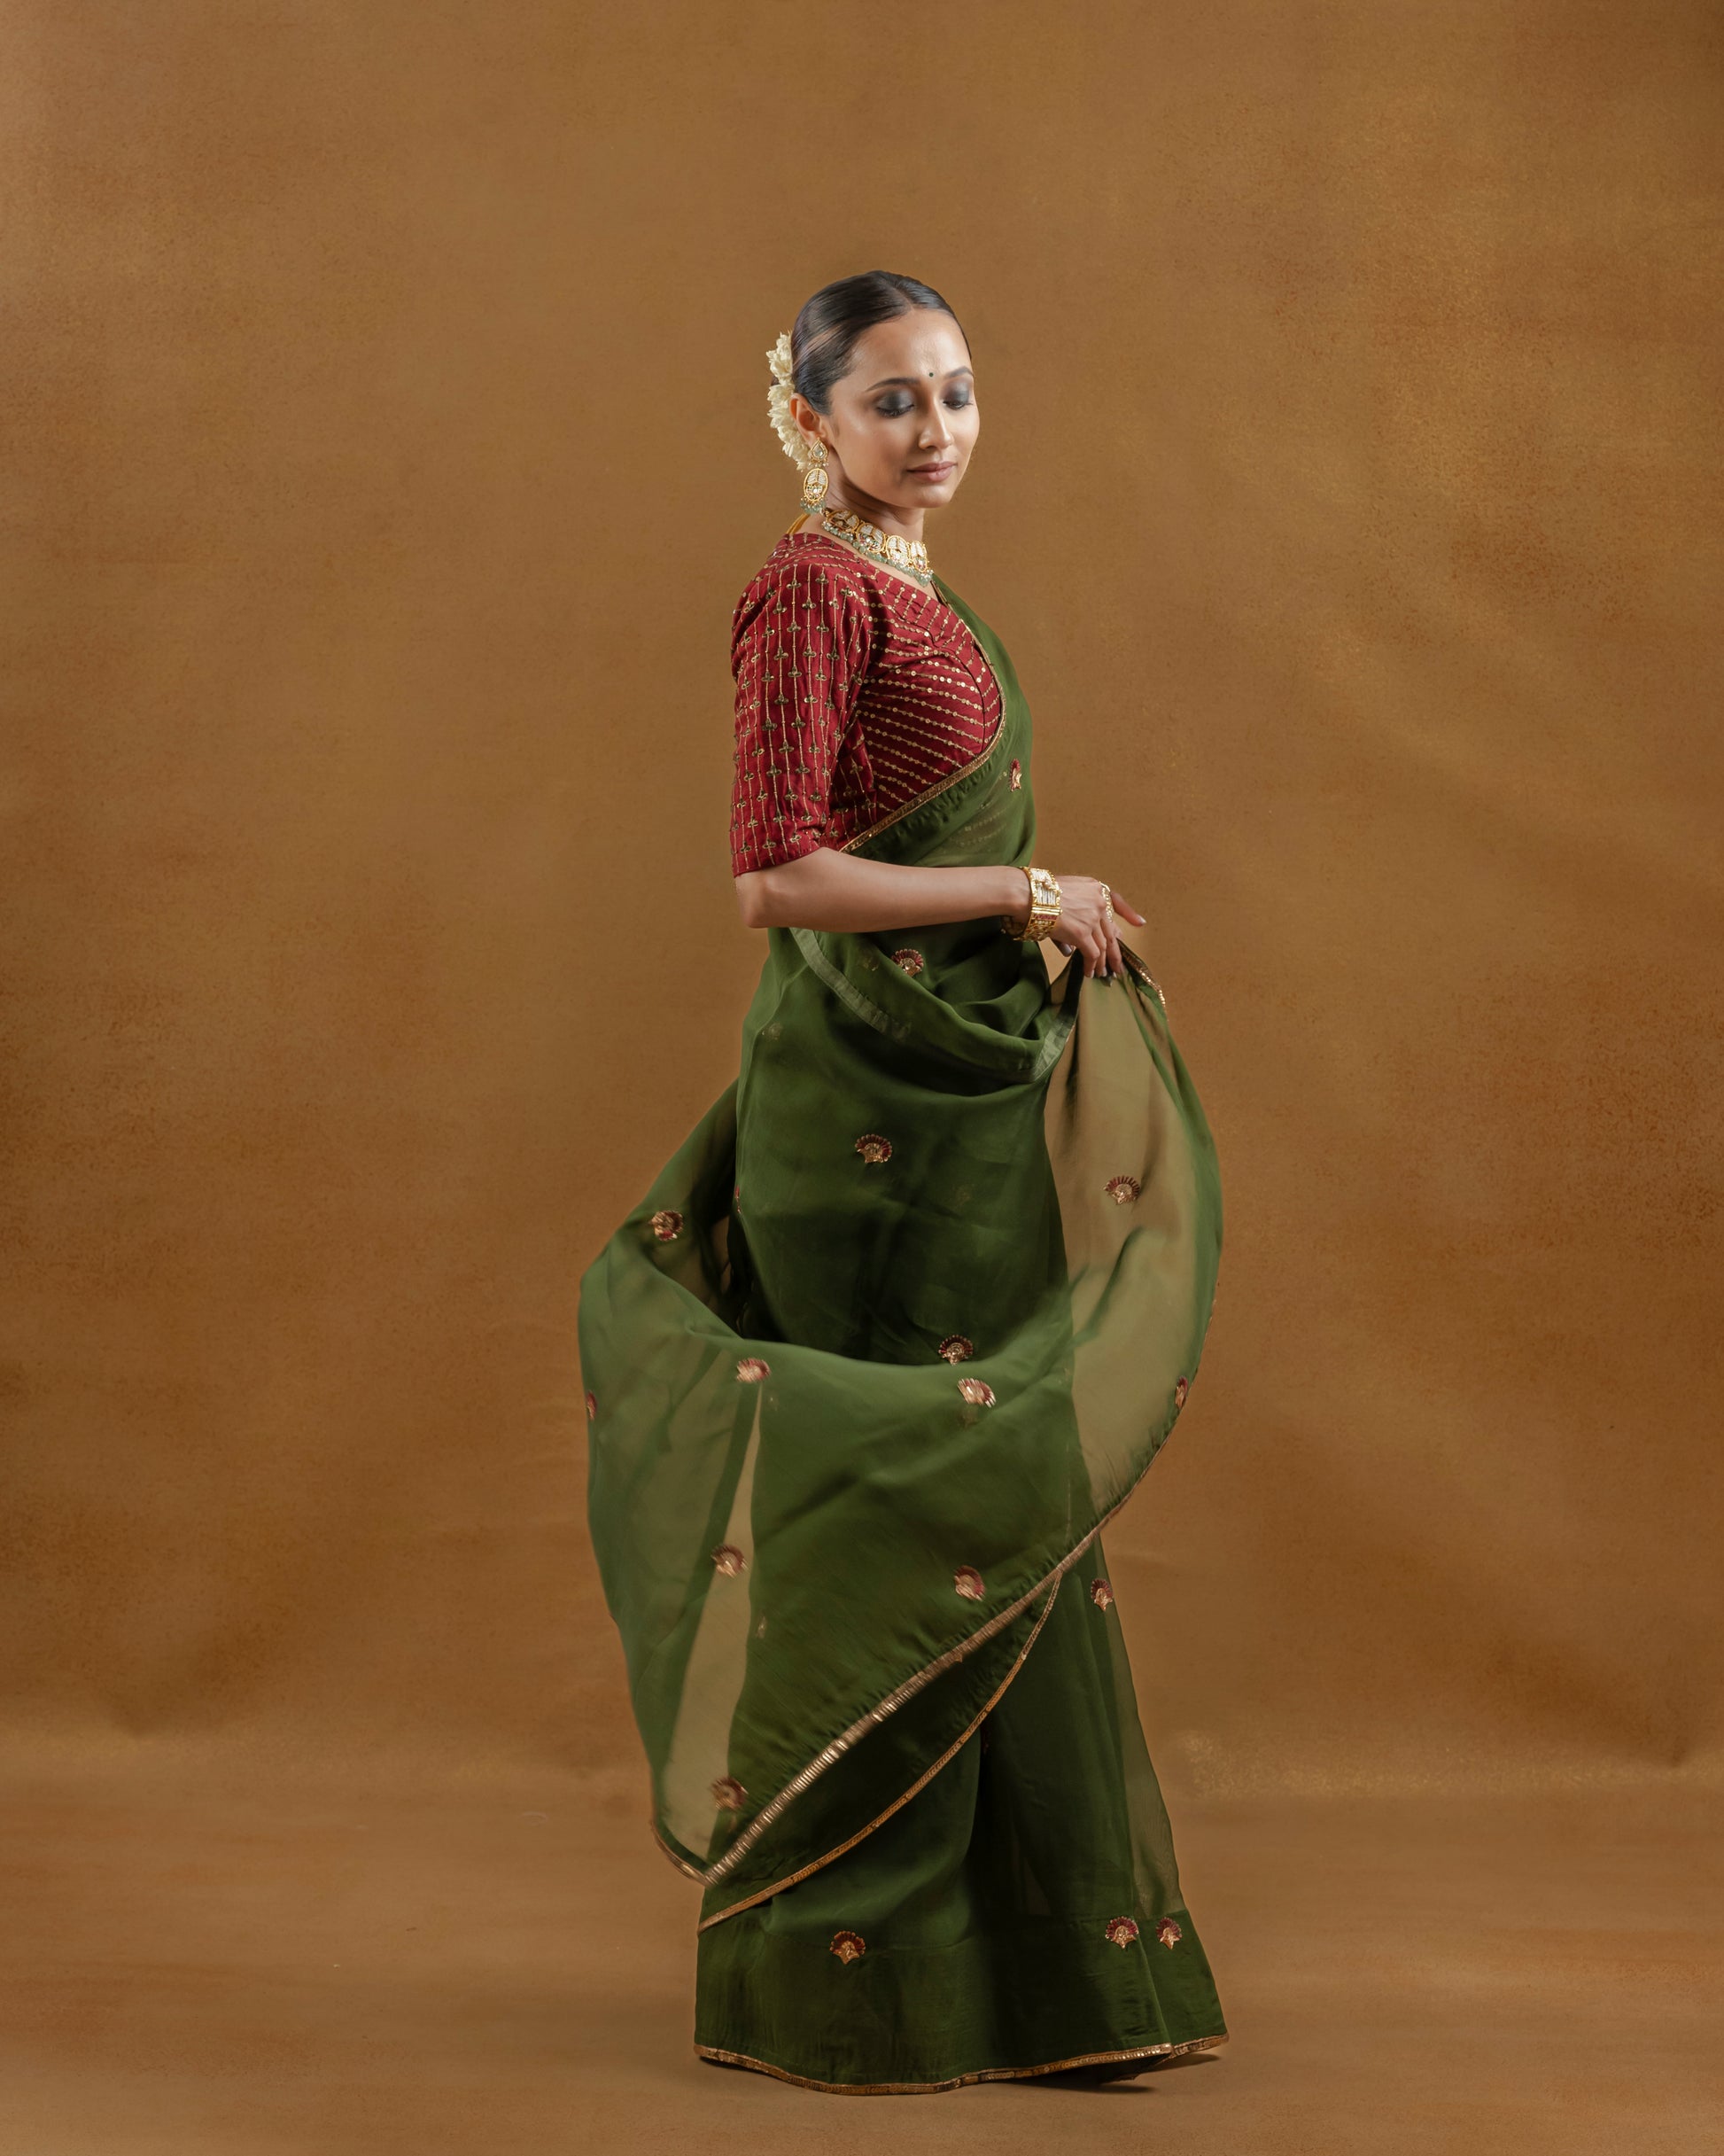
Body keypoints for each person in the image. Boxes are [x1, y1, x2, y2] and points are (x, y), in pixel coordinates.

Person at [578, 270, 1228, 2095]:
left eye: (954, 391)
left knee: (996, 1480)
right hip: (856, 1111)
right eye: (890, 400)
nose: (934, 429)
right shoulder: (808, 590)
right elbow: (774, 876)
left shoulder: (916, 584)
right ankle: (833, 1978)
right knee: (893, 1497)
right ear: (810, 419)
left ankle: (1034, 1981)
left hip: (950, 1095)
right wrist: (1027, 890)